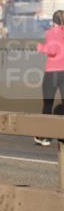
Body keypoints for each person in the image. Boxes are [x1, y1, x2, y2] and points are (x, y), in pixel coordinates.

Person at [36, 10, 64, 146]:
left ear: (53, 21)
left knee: (48, 104)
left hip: (52, 73)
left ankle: (44, 137)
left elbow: (52, 50)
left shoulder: (50, 33)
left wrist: (40, 47)